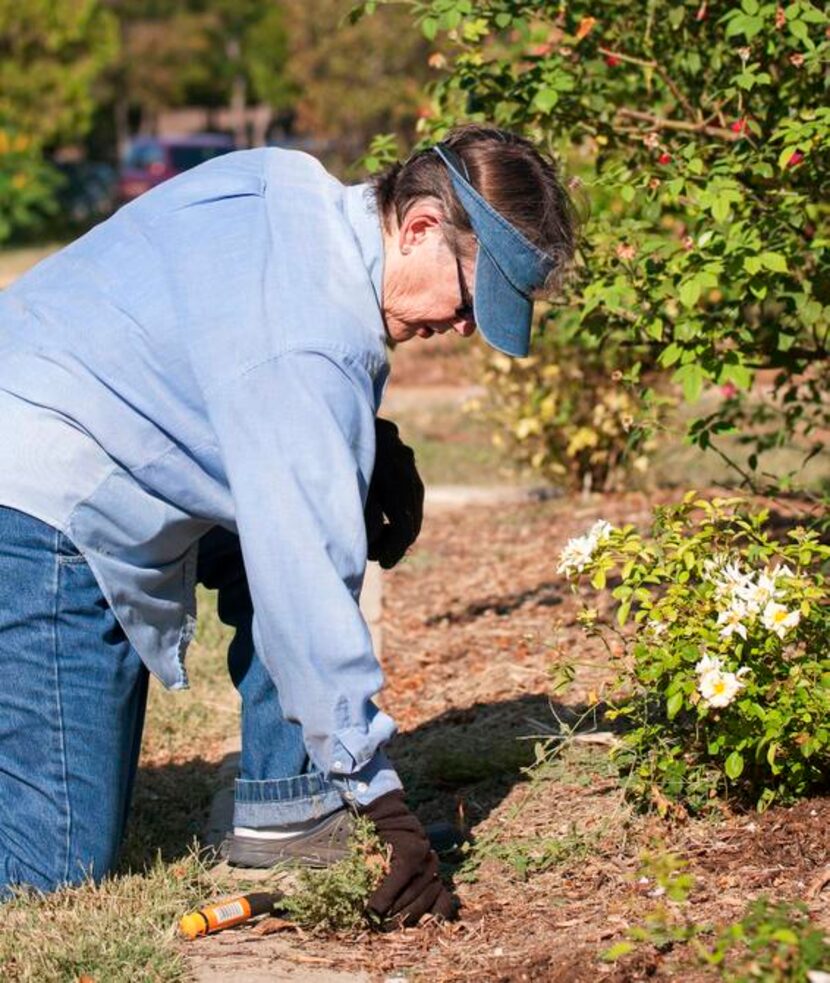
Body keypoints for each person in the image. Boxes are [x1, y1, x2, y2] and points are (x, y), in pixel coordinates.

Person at [0, 124, 576, 924]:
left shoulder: (290, 183)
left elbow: (219, 336)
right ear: (418, 227)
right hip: (35, 496)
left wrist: (359, 442)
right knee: (47, 865)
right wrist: (384, 807)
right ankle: (317, 790)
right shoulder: (311, 350)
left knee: (316, 495)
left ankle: (290, 807)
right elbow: (305, 581)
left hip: (53, 413)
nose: (466, 326)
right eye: (473, 298)